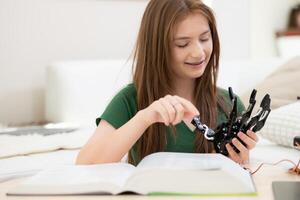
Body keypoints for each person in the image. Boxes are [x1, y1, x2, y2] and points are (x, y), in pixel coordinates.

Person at [76, 0, 258, 166]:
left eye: (204, 38)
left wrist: (241, 162)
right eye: (182, 44)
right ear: (157, 48)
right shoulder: (130, 99)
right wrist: (144, 118)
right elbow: (86, 163)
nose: (198, 52)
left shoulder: (229, 104)